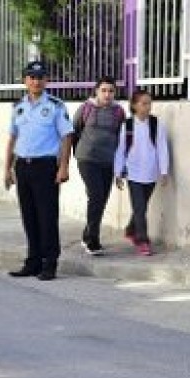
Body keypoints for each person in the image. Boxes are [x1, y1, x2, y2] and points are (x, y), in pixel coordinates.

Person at [4, 61, 73, 281]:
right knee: (29, 216)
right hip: (23, 166)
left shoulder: (55, 106)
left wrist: (63, 166)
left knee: (47, 216)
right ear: (25, 80)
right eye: (32, 77)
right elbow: (13, 138)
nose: (36, 81)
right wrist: (7, 168)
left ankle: (49, 263)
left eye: (40, 77)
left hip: (46, 167)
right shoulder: (18, 107)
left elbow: (66, 137)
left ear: (46, 80)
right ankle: (33, 261)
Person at [72, 76, 126, 256]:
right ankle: (93, 241)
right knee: (96, 196)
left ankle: (87, 234)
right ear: (96, 91)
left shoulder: (119, 112)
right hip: (87, 158)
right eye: (103, 90)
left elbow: (121, 138)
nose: (107, 94)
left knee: (101, 200)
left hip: (108, 161)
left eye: (111, 91)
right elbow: (75, 130)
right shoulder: (86, 108)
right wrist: (76, 153)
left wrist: (120, 166)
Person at [113, 89, 171, 256]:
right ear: (134, 105)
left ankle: (131, 230)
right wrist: (118, 172)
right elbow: (121, 150)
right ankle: (142, 240)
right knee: (140, 209)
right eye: (143, 103)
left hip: (151, 173)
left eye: (149, 103)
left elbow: (162, 148)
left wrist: (164, 170)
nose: (147, 107)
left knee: (141, 206)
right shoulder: (127, 125)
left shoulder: (156, 124)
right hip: (133, 173)